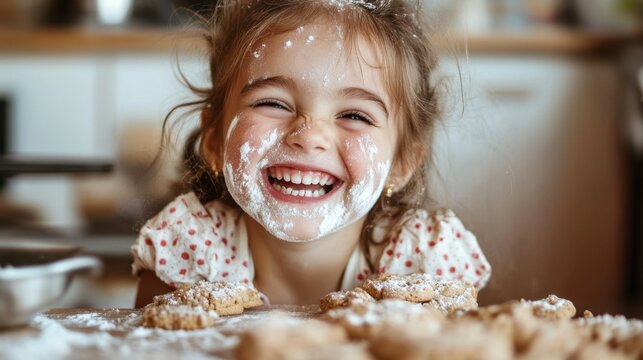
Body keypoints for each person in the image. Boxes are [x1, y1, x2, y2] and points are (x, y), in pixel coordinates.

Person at [131, 0, 492, 307]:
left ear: (402, 163)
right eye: (273, 103)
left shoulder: (424, 264)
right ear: (214, 139)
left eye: (354, 115)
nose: (309, 136)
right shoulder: (186, 252)